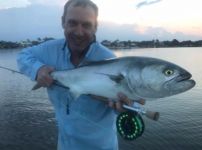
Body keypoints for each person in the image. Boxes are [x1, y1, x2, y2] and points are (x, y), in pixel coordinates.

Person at [17, 0, 144, 149]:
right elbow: (23, 55)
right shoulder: (50, 50)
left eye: (86, 25)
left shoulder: (109, 60)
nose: (78, 32)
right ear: (63, 22)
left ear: (95, 27)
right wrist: (38, 69)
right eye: (72, 23)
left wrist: (126, 107)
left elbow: (129, 101)